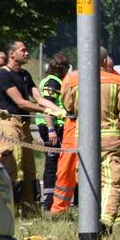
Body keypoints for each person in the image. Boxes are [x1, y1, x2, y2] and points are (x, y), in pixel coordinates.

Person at [61, 47, 120, 232]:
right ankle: (106, 222)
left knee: (87, 179)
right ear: (104, 61)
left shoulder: (72, 80)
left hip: (82, 139)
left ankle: (95, 222)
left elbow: (68, 107)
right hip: (111, 139)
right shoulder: (116, 80)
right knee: (113, 180)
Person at [0, 40, 61, 217]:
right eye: (22, 50)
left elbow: (39, 98)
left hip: (23, 127)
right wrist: (46, 110)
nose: (26, 53)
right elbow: (21, 102)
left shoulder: (25, 74)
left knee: (30, 169)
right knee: (13, 168)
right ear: (11, 54)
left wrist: (58, 110)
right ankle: (9, 213)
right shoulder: (3, 74)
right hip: (9, 124)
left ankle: (30, 212)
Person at [36, 53, 70, 212]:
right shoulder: (52, 82)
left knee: (57, 160)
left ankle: (53, 198)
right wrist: (51, 130)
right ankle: (49, 199)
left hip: (55, 125)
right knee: (52, 162)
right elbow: (47, 107)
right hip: (52, 126)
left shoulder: (54, 80)